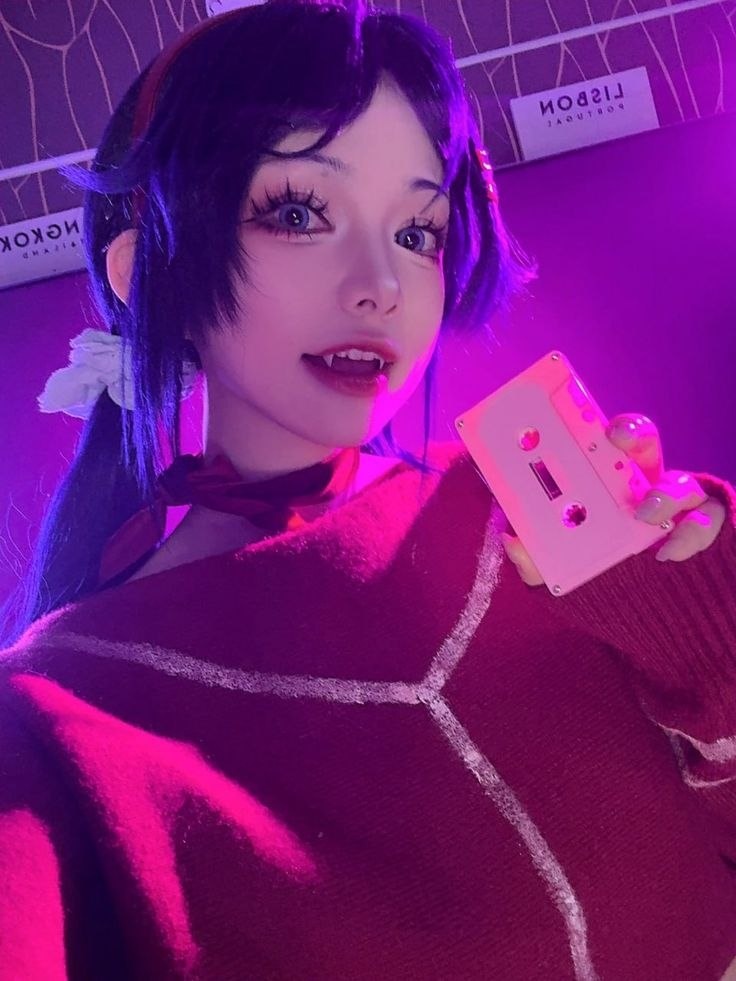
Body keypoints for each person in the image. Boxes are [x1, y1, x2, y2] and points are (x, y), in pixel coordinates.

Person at [1, 2, 735, 978]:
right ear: (147, 270)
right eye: (299, 213)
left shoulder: (533, 523)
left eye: (418, 230)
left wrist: (696, 626)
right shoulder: (55, 712)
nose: (381, 283)